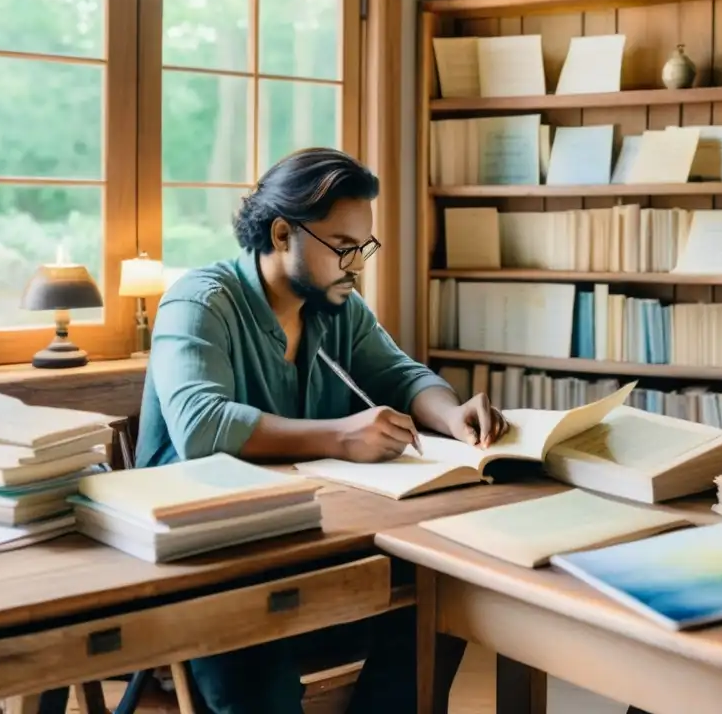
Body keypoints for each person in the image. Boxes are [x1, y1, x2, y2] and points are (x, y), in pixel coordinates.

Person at [135, 147, 508, 713]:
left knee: (440, 604)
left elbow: (403, 376)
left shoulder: (338, 308)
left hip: (314, 542)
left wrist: (451, 415)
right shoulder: (200, 300)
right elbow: (202, 427)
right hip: (211, 564)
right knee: (261, 665)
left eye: (365, 247)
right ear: (283, 234)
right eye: (343, 247)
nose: (357, 264)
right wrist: (340, 436)